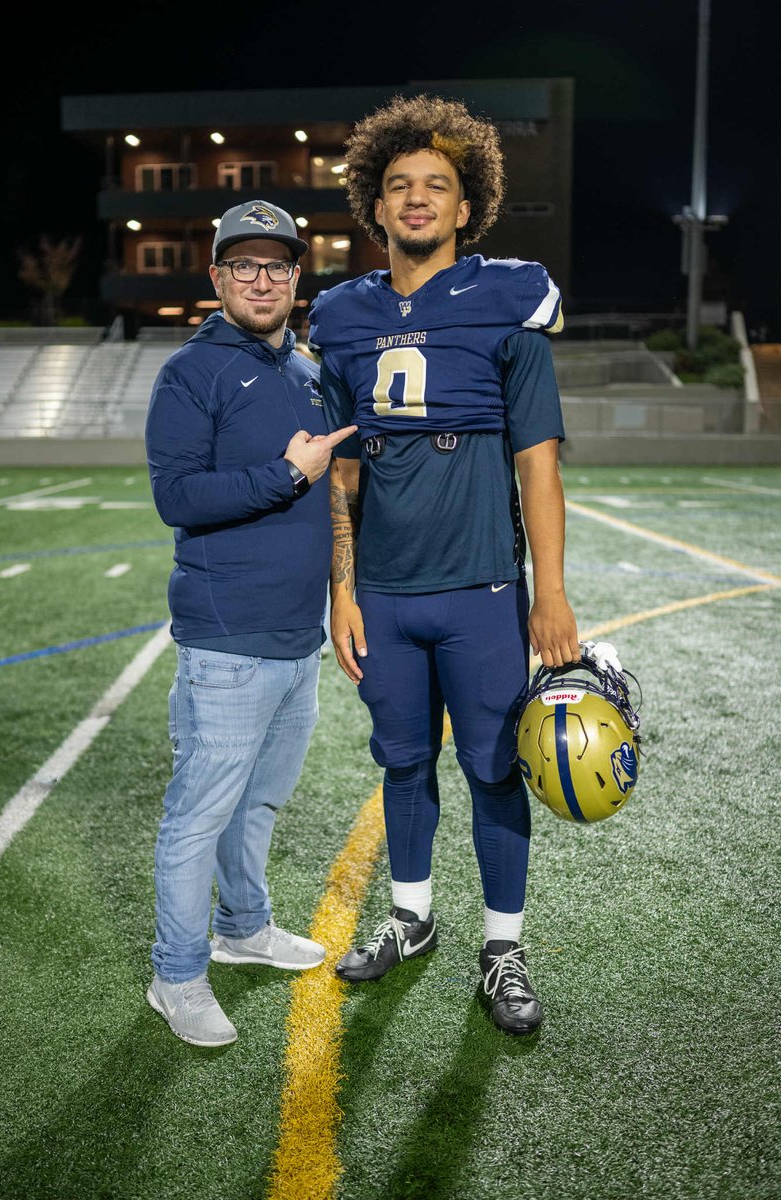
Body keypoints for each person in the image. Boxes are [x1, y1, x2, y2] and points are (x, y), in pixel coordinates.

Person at [308, 95, 580, 1035]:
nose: (417, 200)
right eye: (399, 187)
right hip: (383, 590)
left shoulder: (507, 304)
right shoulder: (341, 315)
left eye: (437, 186)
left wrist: (551, 592)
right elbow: (342, 467)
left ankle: (503, 947)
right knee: (402, 763)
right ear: (375, 208)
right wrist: (341, 591)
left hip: (485, 591)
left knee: (495, 768)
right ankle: (411, 919)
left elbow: (537, 461)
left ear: (468, 209)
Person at [144, 200, 356, 1046]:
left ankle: (244, 928)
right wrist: (284, 474)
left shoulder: (304, 369)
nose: (262, 280)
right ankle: (178, 973)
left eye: (277, 266)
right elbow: (177, 497)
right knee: (198, 815)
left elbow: (334, 493)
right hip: (226, 642)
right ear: (218, 277)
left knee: (258, 804)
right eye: (245, 266)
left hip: (297, 636)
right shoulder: (190, 372)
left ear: (297, 277)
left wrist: (344, 591)